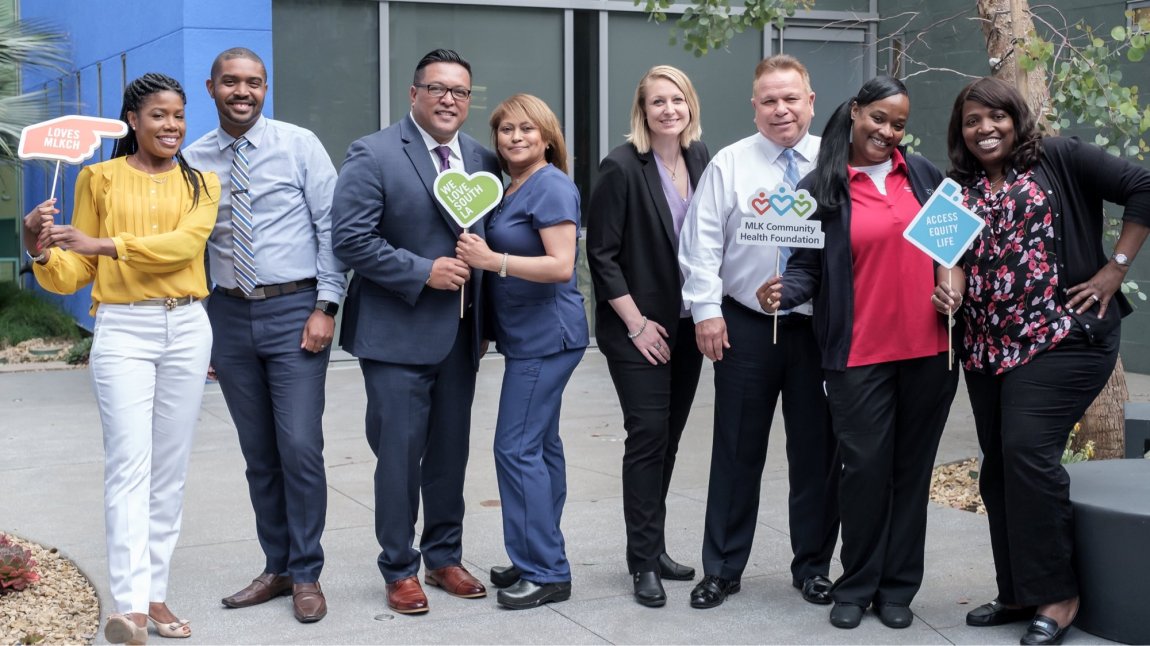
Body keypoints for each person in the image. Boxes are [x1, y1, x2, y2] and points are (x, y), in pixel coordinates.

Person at [936, 77, 1150, 646]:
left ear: (1016, 117)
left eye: (996, 116)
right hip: (987, 347)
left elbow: (1144, 184)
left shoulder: (1057, 155)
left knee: (1026, 452)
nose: (985, 128)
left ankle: (1059, 595)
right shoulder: (958, 185)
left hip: (1063, 337)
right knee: (999, 465)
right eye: (972, 120)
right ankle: (1017, 591)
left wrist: (1116, 267)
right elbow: (950, 256)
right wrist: (951, 289)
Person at [22, 73, 217, 644]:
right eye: (159, 115)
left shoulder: (203, 183)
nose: (172, 125)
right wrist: (41, 246)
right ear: (134, 120)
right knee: (129, 465)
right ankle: (130, 607)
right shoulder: (97, 178)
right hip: (124, 330)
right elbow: (74, 273)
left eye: (179, 115)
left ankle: (155, 594)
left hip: (186, 325)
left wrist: (104, 245)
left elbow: (185, 247)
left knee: (170, 469)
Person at [758, 76, 958, 630]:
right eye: (879, 118)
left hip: (928, 351)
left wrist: (953, 286)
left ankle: (897, 589)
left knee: (911, 472)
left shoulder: (921, 174)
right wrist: (783, 293)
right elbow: (803, 268)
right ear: (854, 113)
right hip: (858, 355)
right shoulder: (818, 186)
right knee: (863, 470)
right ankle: (857, 583)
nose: (888, 132)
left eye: (899, 124)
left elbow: (951, 249)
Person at [331, 48, 500, 616]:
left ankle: (445, 556)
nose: (449, 99)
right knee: (400, 456)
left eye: (460, 91)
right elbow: (350, 239)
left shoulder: (481, 158)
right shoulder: (373, 153)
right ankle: (399, 568)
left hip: (460, 337)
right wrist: (421, 271)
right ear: (414, 94)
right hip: (395, 335)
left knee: (451, 453)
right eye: (438, 88)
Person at [182, 47, 346, 624]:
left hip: (296, 309)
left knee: (299, 446)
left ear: (265, 86)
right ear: (211, 88)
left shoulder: (299, 145)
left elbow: (332, 229)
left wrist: (327, 304)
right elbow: (188, 247)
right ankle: (277, 566)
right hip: (227, 316)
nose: (242, 91)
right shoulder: (192, 159)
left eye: (253, 82)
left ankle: (307, 573)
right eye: (231, 82)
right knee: (259, 456)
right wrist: (198, 324)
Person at [677, 54, 840, 610]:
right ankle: (721, 568)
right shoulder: (730, 164)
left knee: (816, 454)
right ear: (754, 106)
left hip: (817, 330)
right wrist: (705, 312)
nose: (781, 109)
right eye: (769, 100)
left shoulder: (834, 161)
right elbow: (701, 244)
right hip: (744, 325)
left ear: (810, 101)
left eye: (791, 98)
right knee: (737, 449)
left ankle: (814, 568)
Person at [455, 93, 589, 610]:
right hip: (524, 337)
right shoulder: (511, 186)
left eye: (527, 130)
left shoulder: (552, 185)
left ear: (547, 137)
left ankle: (547, 570)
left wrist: (493, 260)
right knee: (541, 448)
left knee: (515, 448)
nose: (515, 137)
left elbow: (560, 265)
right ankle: (539, 552)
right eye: (506, 129)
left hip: (547, 339)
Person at [586, 65, 709, 607]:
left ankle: (653, 545)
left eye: (677, 99)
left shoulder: (703, 160)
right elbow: (602, 255)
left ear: (690, 106)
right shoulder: (620, 167)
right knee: (647, 439)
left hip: (687, 324)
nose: (669, 110)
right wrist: (635, 323)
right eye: (657, 101)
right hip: (638, 328)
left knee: (669, 439)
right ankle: (642, 564)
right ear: (643, 110)